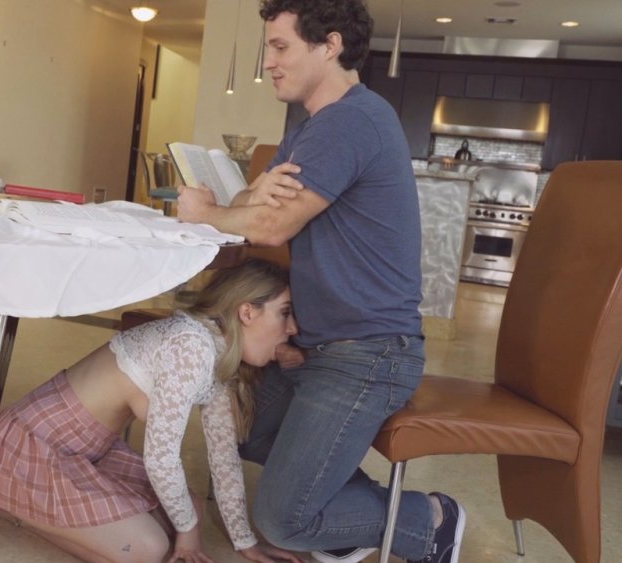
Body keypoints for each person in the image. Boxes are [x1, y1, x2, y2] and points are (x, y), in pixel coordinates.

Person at [176, 1, 466, 562]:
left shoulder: (349, 122)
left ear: (328, 46)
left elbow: (266, 223)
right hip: (321, 344)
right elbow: (250, 201)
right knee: (249, 433)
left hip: (370, 350)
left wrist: (204, 213)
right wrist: (241, 205)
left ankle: (430, 519)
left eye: (281, 47)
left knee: (284, 520)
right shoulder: (315, 128)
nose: (270, 64)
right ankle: (343, 517)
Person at [0, 259, 303, 563]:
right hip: (34, 447)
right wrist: (189, 535)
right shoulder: (191, 346)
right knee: (148, 548)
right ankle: (11, 503)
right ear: (247, 312)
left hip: (88, 455)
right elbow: (161, 458)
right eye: (285, 313)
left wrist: (245, 543)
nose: (292, 329)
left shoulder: (218, 352)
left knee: (189, 509)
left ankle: (33, 505)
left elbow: (223, 458)